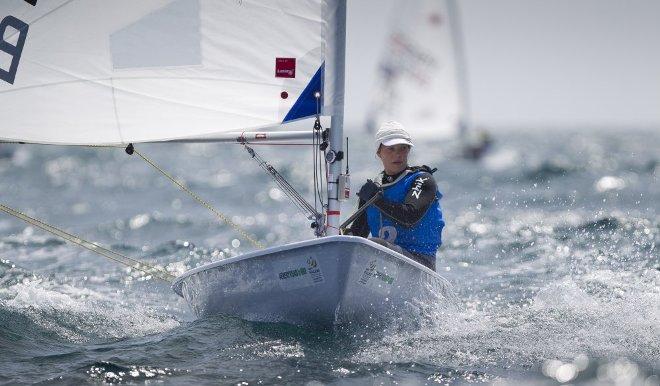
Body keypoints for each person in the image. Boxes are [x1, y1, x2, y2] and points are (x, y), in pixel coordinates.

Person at [345, 121, 445, 270]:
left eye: (403, 148)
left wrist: (376, 199)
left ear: (408, 150)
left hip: (421, 262)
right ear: (379, 153)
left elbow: (409, 217)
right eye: (391, 149)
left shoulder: (422, 179)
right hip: (383, 262)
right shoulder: (374, 188)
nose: (397, 154)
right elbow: (358, 234)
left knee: (375, 245)